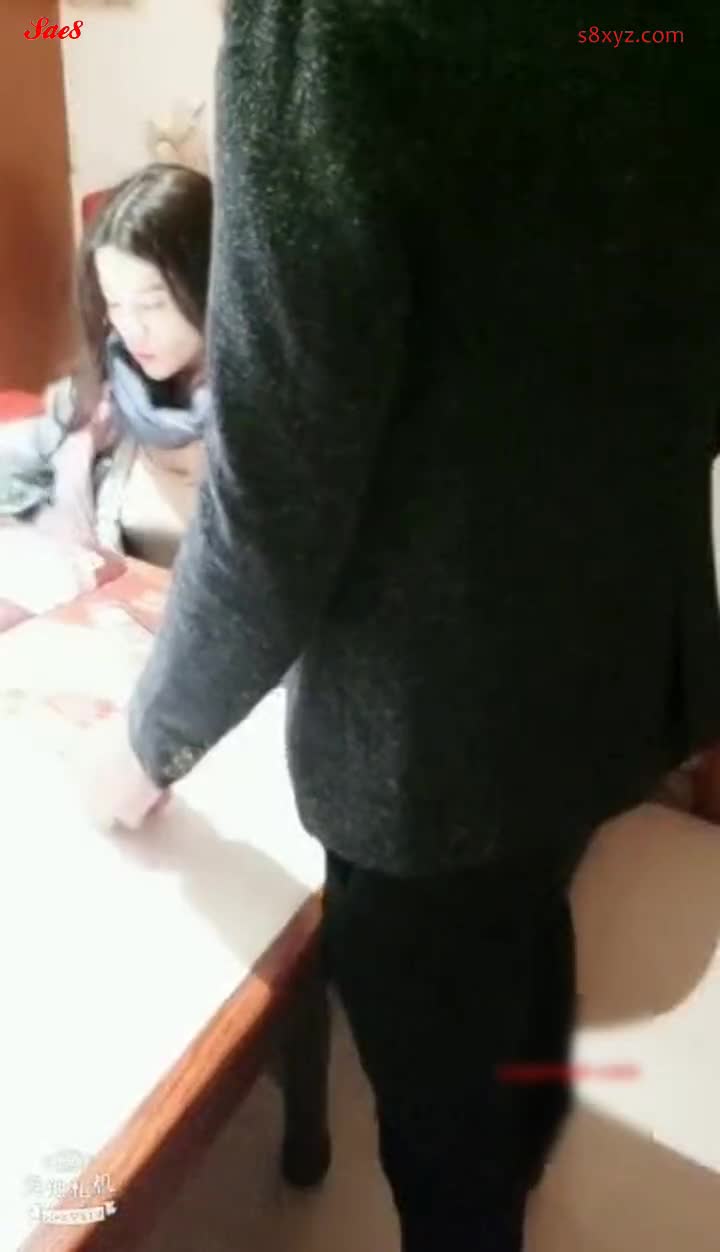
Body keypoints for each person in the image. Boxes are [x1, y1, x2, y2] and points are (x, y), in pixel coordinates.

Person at [82, 6, 720, 1250]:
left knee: (445, 1132)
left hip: (434, 730)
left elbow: (278, 483)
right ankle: (516, 1159)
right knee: (524, 928)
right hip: (610, 654)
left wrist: (151, 735)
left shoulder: (327, 22)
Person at [0, 162, 212, 569]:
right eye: (114, 303)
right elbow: (23, 448)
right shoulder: (112, 390)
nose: (131, 329)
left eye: (152, 304)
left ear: (207, 286)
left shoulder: (265, 415)